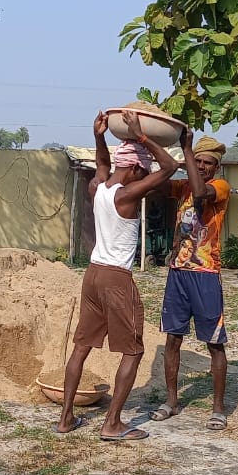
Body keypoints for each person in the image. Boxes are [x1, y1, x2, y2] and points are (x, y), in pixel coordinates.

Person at [54, 109, 195, 441]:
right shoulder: (129, 195)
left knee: (81, 347)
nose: (144, 176)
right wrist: (143, 136)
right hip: (117, 278)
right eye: (142, 171)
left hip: (92, 275)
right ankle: (112, 424)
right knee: (133, 350)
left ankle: (65, 418)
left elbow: (102, 163)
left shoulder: (98, 187)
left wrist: (99, 135)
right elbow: (171, 168)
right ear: (135, 168)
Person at [150, 136, 234, 431]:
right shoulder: (181, 186)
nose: (201, 166)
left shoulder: (219, 187)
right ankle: (171, 402)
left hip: (206, 275)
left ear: (216, 166)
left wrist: (186, 150)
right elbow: (158, 180)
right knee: (173, 339)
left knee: (214, 343)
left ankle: (219, 408)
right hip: (178, 273)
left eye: (207, 162)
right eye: (197, 161)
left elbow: (200, 194)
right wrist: (147, 142)